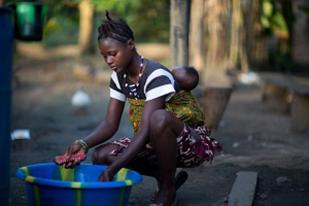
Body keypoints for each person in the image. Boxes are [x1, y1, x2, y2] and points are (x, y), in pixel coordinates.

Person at [57, 12, 221, 206]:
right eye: (104, 56)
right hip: (152, 142)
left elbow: (145, 129)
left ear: (130, 45)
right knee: (101, 156)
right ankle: (164, 177)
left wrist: (114, 169)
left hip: (188, 143)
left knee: (159, 118)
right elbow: (110, 124)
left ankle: (168, 191)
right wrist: (83, 144)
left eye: (112, 54)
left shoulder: (155, 75)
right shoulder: (118, 77)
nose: (108, 61)